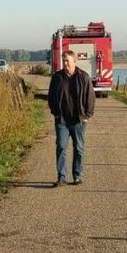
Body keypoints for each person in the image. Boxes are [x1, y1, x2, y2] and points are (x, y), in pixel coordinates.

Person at [48, 50, 95, 187]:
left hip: (78, 120)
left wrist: (87, 115)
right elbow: (51, 96)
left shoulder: (83, 77)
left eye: (67, 61)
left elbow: (90, 97)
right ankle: (61, 177)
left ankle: (77, 176)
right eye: (64, 61)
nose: (65, 63)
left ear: (75, 61)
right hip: (61, 120)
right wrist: (54, 112)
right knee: (61, 147)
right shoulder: (57, 77)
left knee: (78, 148)